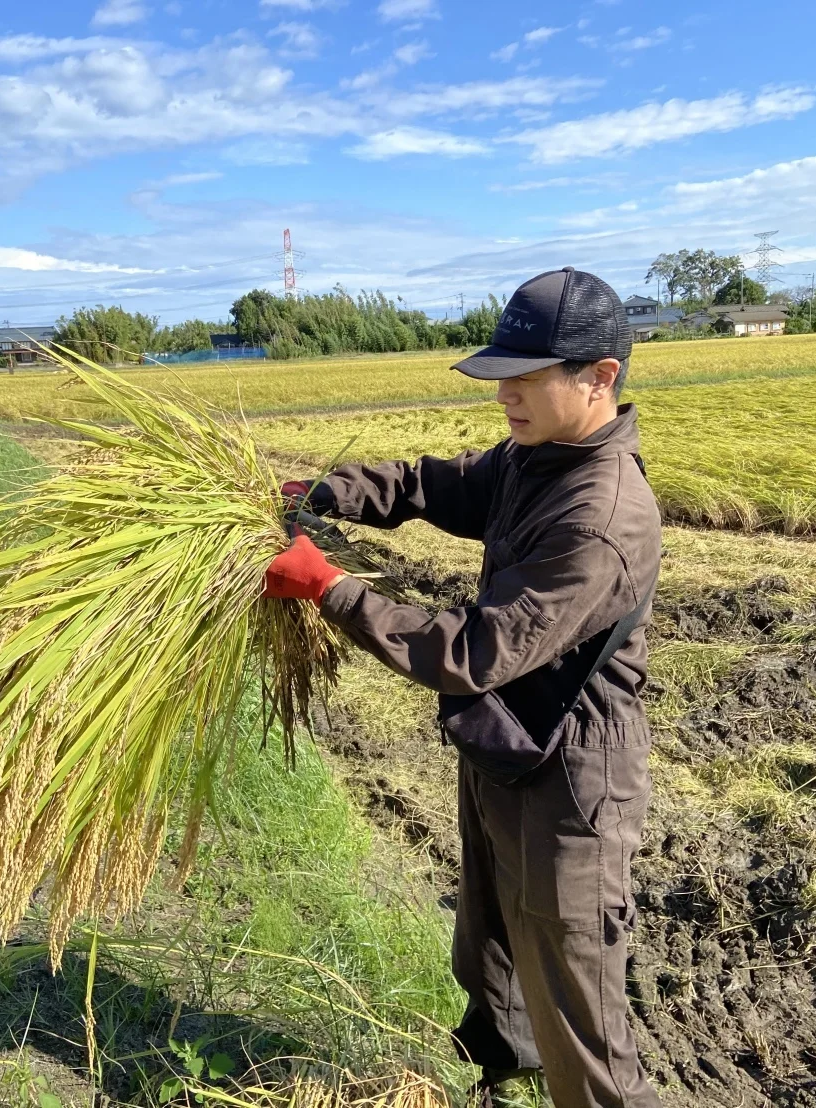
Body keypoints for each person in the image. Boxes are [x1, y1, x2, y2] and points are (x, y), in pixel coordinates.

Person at [264, 268, 663, 1108]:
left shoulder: (600, 516)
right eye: (501, 377)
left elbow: (473, 651)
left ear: (600, 378)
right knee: (490, 953)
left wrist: (332, 589)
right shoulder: (536, 458)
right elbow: (436, 485)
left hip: (572, 778)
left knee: (576, 1002)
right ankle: (505, 1082)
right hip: (506, 740)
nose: (505, 396)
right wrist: (331, 492)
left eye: (524, 378)